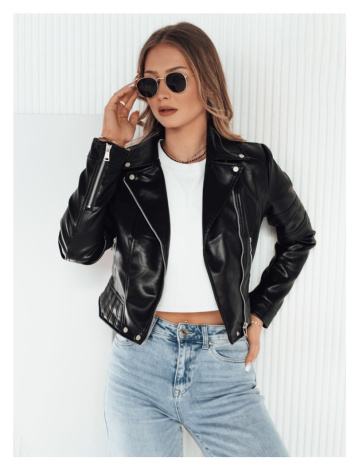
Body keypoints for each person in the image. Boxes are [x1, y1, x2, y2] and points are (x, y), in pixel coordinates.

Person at [58, 21, 316, 457]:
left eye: (176, 79)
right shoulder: (126, 169)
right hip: (139, 363)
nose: (162, 93)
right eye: (150, 83)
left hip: (222, 367)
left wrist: (259, 313)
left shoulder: (253, 165)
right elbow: (78, 249)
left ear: (206, 81)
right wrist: (108, 148)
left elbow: (299, 238)